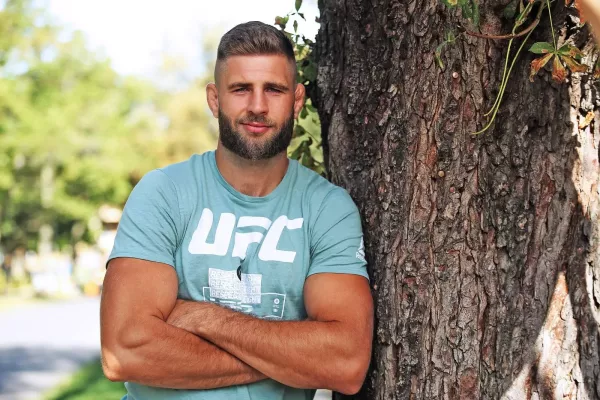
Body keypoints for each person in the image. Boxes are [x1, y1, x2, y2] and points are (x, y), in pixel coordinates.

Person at [100, 21, 374, 400]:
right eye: (241, 89)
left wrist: (202, 317)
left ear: (296, 100)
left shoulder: (327, 209)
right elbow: (124, 351)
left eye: (274, 89)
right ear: (215, 99)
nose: (257, 106)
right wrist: (292, 359)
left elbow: (345, 362)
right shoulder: (164, 193)